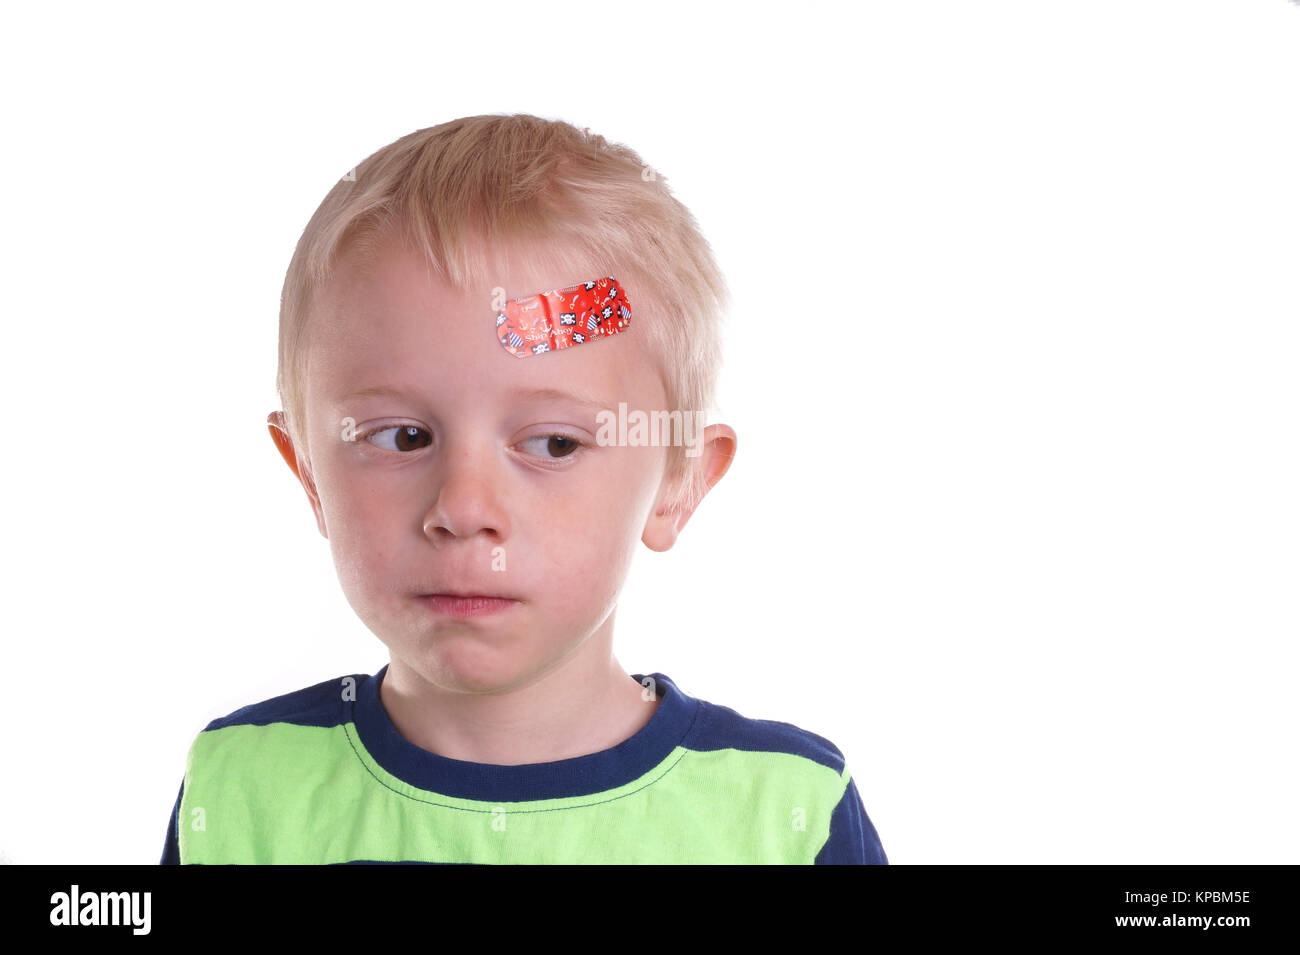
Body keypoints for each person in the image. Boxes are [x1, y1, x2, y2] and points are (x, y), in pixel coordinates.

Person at [161, 113, 887, 864]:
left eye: (553, 443)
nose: (465, 509)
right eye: (403, 436)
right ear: (309, 471)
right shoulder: (241, 793)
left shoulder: (788, 816)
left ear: (677, 481)